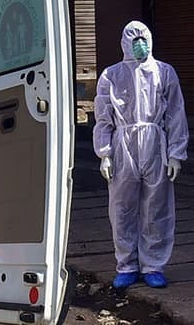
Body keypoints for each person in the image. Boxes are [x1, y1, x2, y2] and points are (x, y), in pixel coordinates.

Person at [93, 20, 188, 289]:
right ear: (125, 43)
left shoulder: (164, 72)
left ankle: (153, 266)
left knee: (156, 207)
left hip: (155, 145)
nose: (140, 45)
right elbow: (103, 117)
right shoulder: (111, 75)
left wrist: (175, 153)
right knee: (122, 207)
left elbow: (176, 114)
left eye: (143, 39)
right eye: (134, 41)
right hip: (123, 147)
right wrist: (105, 154)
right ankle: (127, 265)